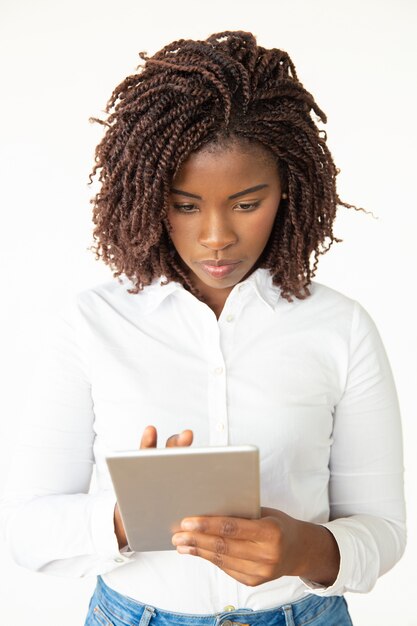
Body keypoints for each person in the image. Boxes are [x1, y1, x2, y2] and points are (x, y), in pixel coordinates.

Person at [0, 30, 405, 626]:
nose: (216, 236)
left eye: (246, 203)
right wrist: (128, 514)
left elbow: (385, 530)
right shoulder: (91, 324)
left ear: (287, 188)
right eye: (185, 205)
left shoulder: (340, 328)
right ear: (147, 195)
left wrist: (305, 549)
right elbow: (27, 531)